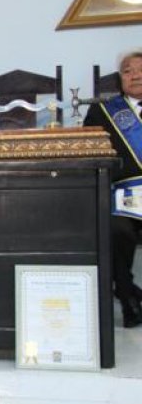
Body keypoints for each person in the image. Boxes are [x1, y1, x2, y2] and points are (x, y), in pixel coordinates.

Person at [84, 50, 142, 328]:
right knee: (116, 228)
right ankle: (128, 295)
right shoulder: (103, 111)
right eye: (128, 71)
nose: (136, 75)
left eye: (141, 70)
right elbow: (90, 154)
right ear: (121, 79)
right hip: (125, 194)